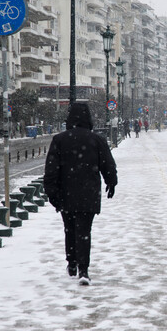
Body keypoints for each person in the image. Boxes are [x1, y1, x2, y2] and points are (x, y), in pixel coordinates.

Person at [43, 103, 117, 286]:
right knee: (84, 231)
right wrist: (111, 182)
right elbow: (108, 164)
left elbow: (51, 171)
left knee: (69, 229)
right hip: (88, 193)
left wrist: (52, 193)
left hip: (65, 193)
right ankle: (83, 269)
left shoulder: (59, 140)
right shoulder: (96, 140)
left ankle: (72, 262)